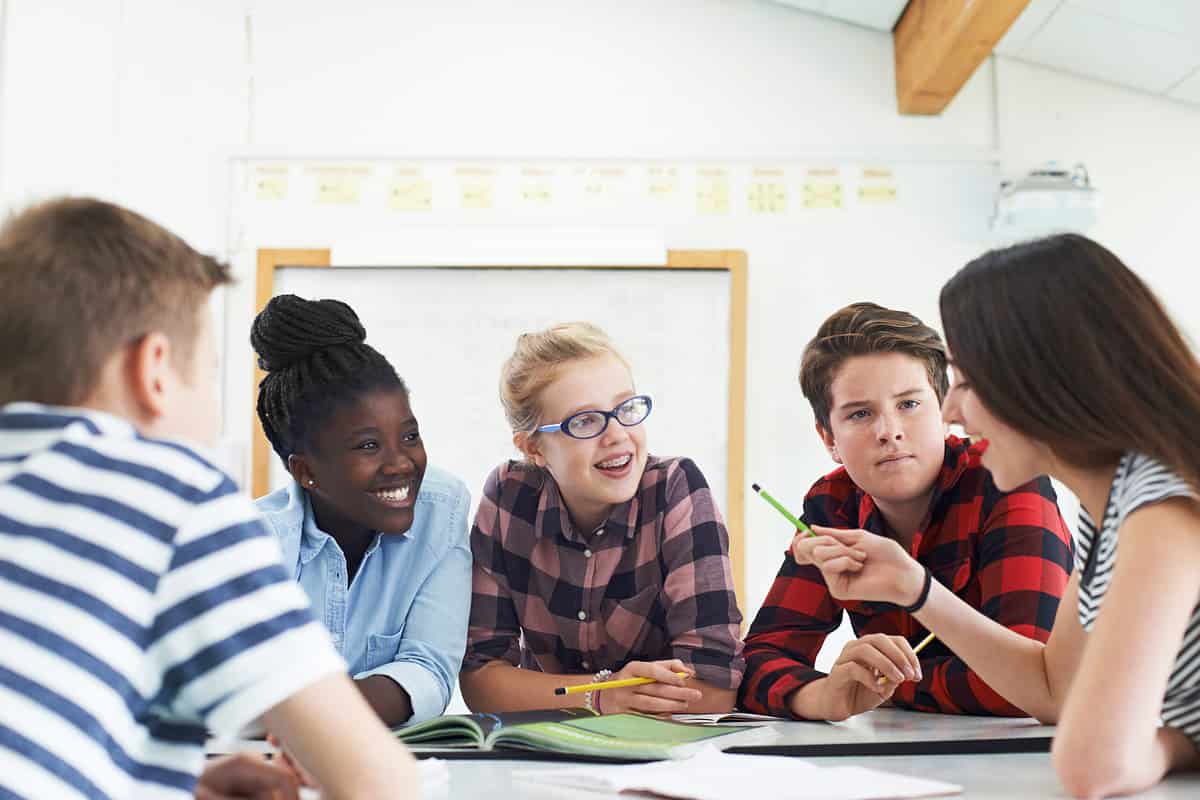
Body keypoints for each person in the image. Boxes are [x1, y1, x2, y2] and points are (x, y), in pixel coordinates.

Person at [0, 198, 415, 799]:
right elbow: (379, 784)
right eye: (211, 373)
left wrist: (177, 784)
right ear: (156, 371)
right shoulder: (168, 493)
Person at [800, 235, 1200, 797]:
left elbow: (1096, 765)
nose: (951, 411)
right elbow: (1052, 689)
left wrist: (1181, 740)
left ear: (1038, 381)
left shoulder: (1161, 509)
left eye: (965, 382)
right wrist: (914, 589)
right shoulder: (1109, 507)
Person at [740, 302, 1074, 721]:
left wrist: (889, 686)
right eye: (860, 414)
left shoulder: (1006, 478)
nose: (889, 431)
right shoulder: (832, 503)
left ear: (945, 412)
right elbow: (757, 661)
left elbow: (1031, 683)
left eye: (909, 404)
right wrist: (826, 696)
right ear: (829, 438)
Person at [460, 322, 744, 714]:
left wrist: (578, 695)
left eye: (625, 408)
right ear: (534, 448)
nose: (617, 435)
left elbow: (712, 686)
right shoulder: (509, 496)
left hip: (667, 749)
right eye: (585, 421)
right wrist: (601, 693)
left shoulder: (676, 488)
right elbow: (481, 680)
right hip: (547, 751)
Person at [252, 293, 472, 727]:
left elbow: (428, 669)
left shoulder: (441, 510)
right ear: (306, 471)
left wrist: (319, 713)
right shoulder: (256, 542)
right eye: (368, 445)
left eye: (409, 436)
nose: (401, 464)